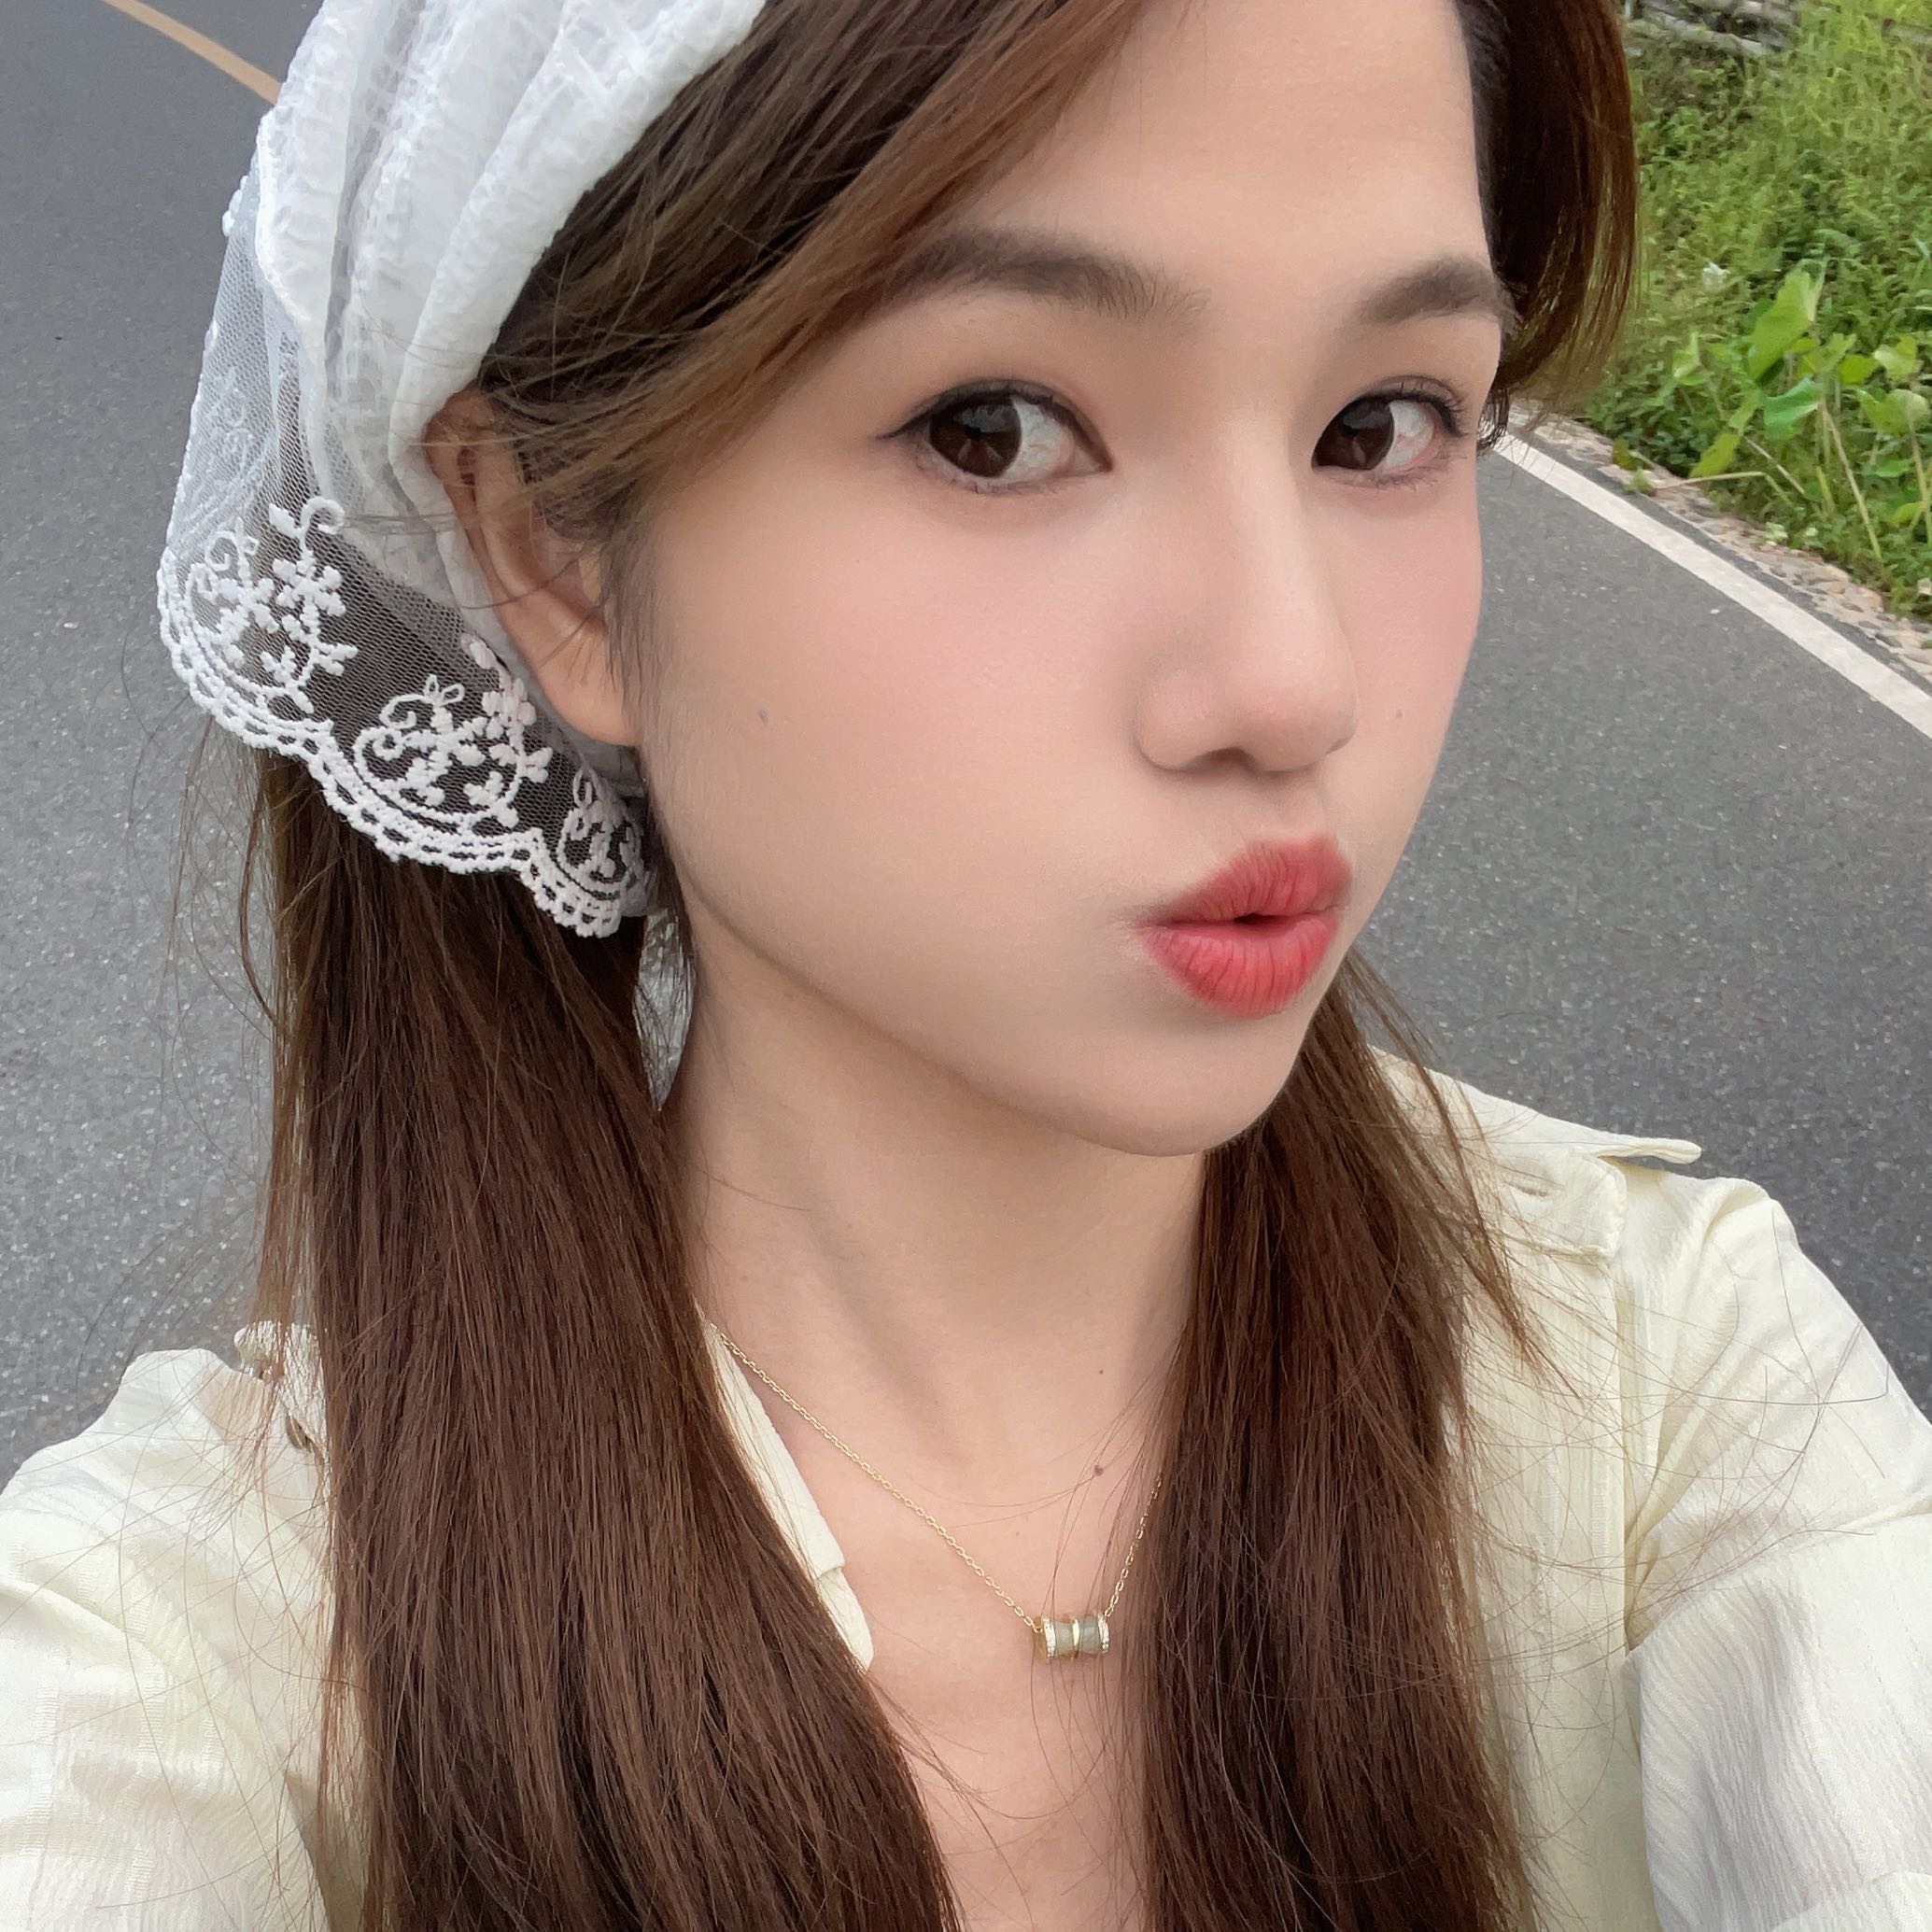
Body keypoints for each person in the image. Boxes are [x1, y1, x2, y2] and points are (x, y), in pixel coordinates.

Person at [4, 0, 1930, 1925]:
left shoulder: (1671, 1393)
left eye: (1382, 424)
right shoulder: (187, 1667)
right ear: (552, 555)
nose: (1291, 681)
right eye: (992, 429)